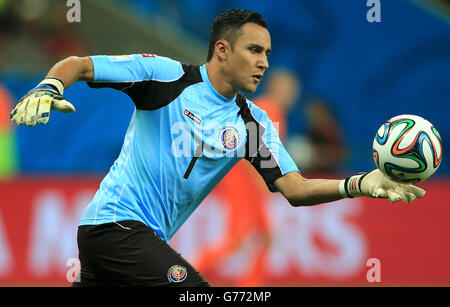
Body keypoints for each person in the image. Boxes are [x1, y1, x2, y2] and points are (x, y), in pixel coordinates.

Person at [10, 8, 425, 287]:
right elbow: (81, 65)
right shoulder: (164, 78)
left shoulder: (251, 124)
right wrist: (50, 85)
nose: (264, 62)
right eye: (254, 50)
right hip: (115, 226)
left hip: (132, 240)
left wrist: (360, 183)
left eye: (268, 53)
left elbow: (294, 189)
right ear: (222, 50)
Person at [192, 69, 300, 286]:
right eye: (289, 89)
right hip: (244, 182)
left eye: (294, 91)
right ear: (276, 88)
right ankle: (187, 272)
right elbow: (250, 152)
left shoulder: (269, 110)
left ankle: (249, 284)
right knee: (238, 239)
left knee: (264, 236)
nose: (293, 95)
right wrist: (264, 182)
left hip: (245, 180)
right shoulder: (269, 109)